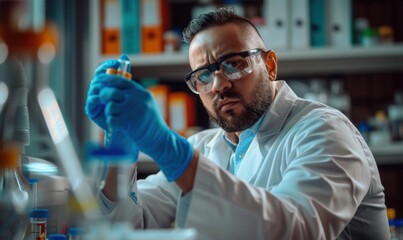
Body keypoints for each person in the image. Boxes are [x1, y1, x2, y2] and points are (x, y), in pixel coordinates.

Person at [85, 7, 390, 240]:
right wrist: (120, 154)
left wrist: (173, 154)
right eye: (203, 75)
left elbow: (299, 228)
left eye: (233, 64)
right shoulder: (204, 148)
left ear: (269, 65)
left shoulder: (324, 130)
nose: (218, 84)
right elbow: (129, 228)